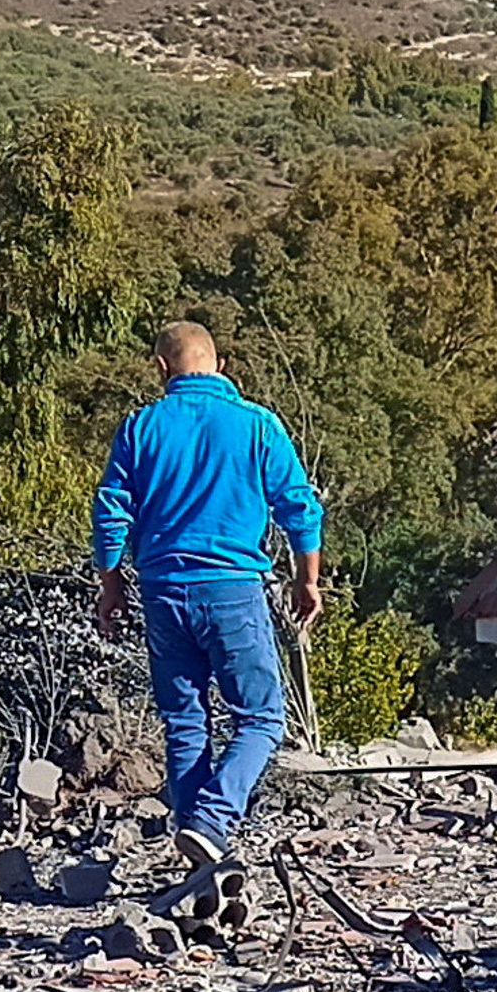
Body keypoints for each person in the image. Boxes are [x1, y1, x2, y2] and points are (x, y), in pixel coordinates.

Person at [88, 323, 327, 881]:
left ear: (160, 368)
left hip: (163, 590)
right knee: (263, 717)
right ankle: (213, 820)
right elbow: (299, 507)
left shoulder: (140, 428)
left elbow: (110, 512)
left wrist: (111, 584)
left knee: (184, 719)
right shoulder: (257, 426)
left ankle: (195, 839)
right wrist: (306, 579)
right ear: (220, 364)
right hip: (233, 589)